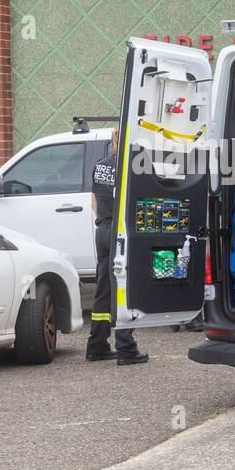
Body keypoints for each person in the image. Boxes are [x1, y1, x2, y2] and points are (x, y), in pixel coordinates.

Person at [86, 131, 148, 365]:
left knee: (104, 288)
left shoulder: (100, 166)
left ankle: (97, 345)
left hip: (102, 230)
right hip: (120, 232)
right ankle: (126, 348)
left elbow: (94, 204)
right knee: (123, 288)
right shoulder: (132, 166)